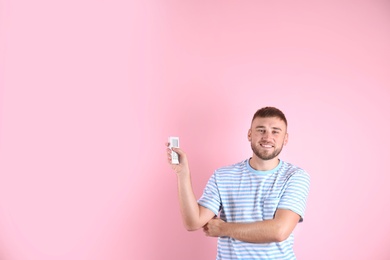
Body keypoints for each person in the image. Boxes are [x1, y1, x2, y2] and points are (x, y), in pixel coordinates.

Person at [166, 107, 310, 260]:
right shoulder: (223, 176)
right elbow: (193, 222)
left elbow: (279, 231)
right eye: (261, 130)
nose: (268, 137)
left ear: (285, 138)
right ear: (250, 134)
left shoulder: (295, 176)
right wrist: (182, 174)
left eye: (275, 131)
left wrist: (224, 229)